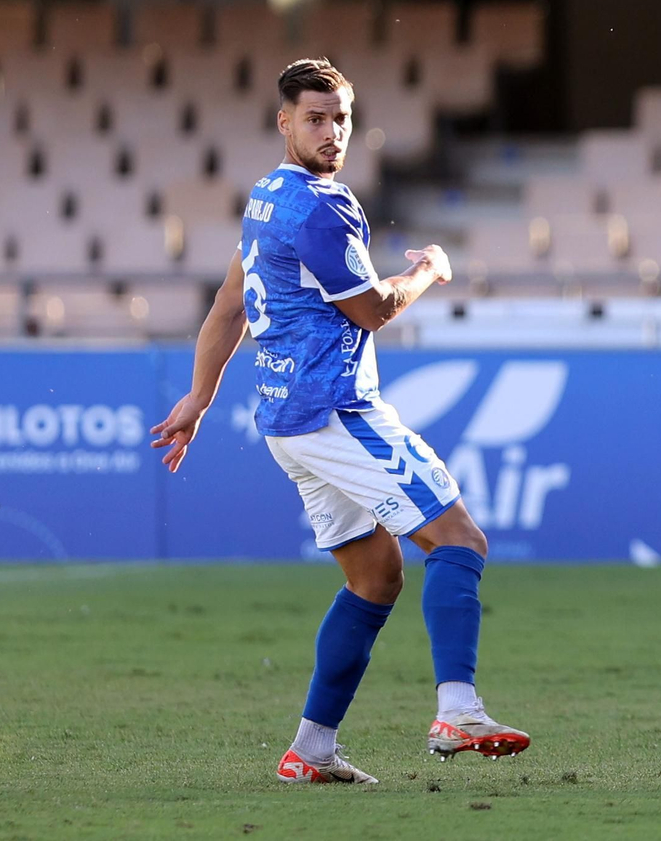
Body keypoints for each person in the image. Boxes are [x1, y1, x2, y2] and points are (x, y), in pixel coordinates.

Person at [150, 58, 529, 785]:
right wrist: (431, 270)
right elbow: (375, 310)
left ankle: (312, 750)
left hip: (286, 421)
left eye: (341, 119)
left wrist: (200, 396)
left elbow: (230, 303)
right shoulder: (320, 207)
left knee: (376, 574)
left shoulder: (268, 198)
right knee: (458, 539)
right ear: (285, 122)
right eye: (315, 119)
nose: (331, 132)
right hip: (333, 410)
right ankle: (458, 709)